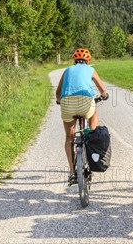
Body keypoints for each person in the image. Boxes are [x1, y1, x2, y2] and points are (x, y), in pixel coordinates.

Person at [56, 48, 108, 185]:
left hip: (67, 103)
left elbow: (58, 91)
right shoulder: (90, 70)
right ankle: (90, 135)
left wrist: (58, 100)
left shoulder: (67, 70)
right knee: (94, 113)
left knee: (69, 137)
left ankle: (72, 172)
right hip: (85, 103)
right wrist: (104, 95)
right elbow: (102, 89)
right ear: (87, 60)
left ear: (74, 60)